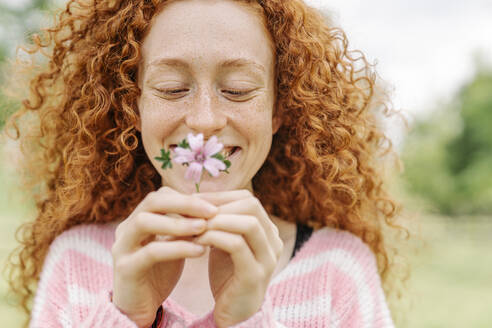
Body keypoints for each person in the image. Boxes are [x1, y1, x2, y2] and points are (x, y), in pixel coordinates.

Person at [4, 0, 408, 327]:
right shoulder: (75, 262)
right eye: (172, 88)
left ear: (278, 110)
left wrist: (245, 321)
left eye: (237, 89)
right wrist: (127, 317)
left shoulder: (339, 272)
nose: (204, 120)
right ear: (135, 105)